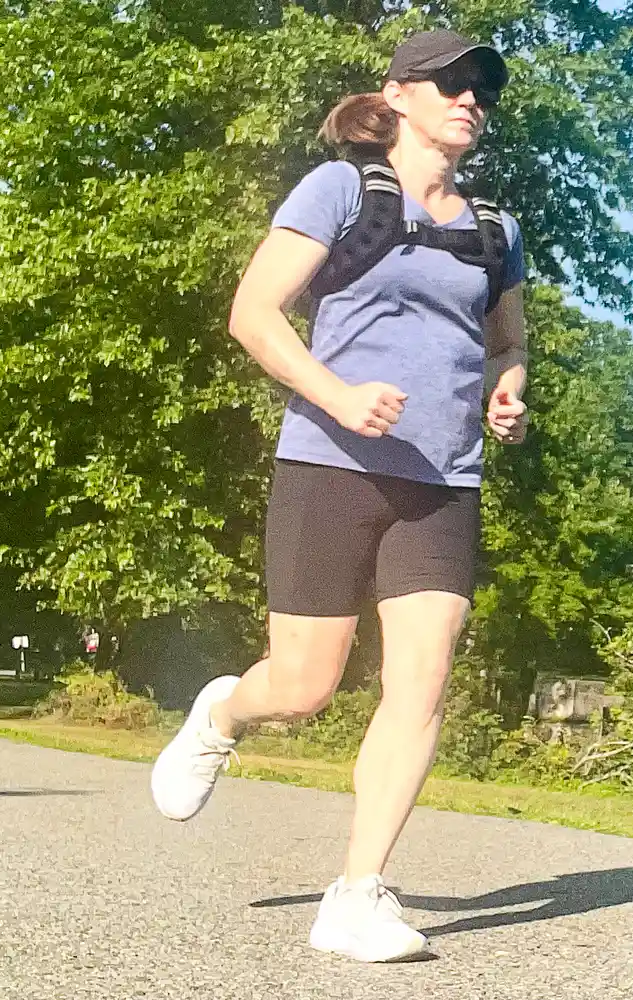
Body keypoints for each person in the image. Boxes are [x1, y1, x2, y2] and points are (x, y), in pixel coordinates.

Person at [149, 29, 528, 963]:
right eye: (450, 83)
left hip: (443, 479)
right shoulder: (341, 190)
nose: (469, 99)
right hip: (329, 463)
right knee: (308, 686)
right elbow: (252, 313)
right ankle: (223, 714)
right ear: (398, 95)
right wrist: (338, 395)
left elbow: (508, 342)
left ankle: (357, 895)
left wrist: (508, 390)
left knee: (423, 678)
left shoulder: (496, 230)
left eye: (480, 88)